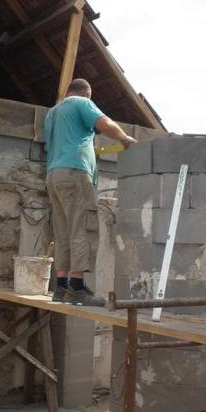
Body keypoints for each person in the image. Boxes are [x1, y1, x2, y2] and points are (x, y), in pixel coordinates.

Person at [44, 78, 136, 306]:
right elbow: (105, 124)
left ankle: (61, 287)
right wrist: (125, 138)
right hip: (75, 173)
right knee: (82, 228)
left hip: (54, 175)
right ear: (86, 93)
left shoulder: (52, 113)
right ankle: (76, 288)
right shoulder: (82, 102)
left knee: (63, 231)